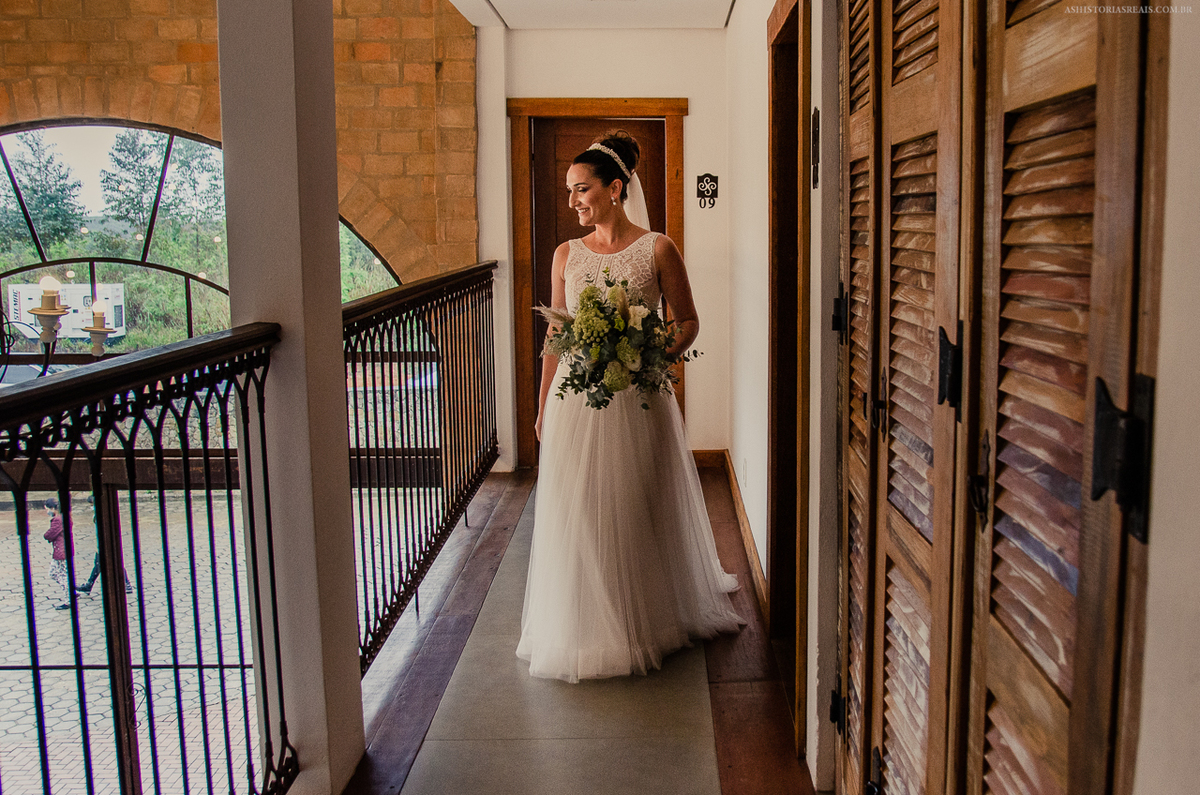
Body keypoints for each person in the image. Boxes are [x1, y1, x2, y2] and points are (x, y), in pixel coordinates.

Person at [517, 131, 743, 683]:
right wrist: (543, 405)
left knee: (636, 503)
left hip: (639, 397)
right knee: (580, 509)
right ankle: (585, 623)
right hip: (578, 398)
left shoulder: (658, 248)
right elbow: (555, 338)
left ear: (615, 189)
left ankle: (646, 617)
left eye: (581, 189)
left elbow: (688, 321)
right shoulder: (565, 255)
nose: (573, 201)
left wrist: (650, 350)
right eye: (569, 191)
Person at [75, 494, 134, 595]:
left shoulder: (102, 514)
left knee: (103, 564)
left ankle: (125, 583)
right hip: (107, 543)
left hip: (105, 544)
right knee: (102, 564)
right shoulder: (103, 512)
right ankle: (125, 584)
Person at [42, 497, 71, 610]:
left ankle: (68, 598)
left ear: (53, 508)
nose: (47, 512)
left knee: (61, 575)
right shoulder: (65, 516)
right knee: (54, 573)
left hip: (61, 551)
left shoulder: (58, 520)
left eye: (47, 509)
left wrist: (45, 536)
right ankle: (70, 591)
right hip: (63, 550)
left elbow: (51, 534)